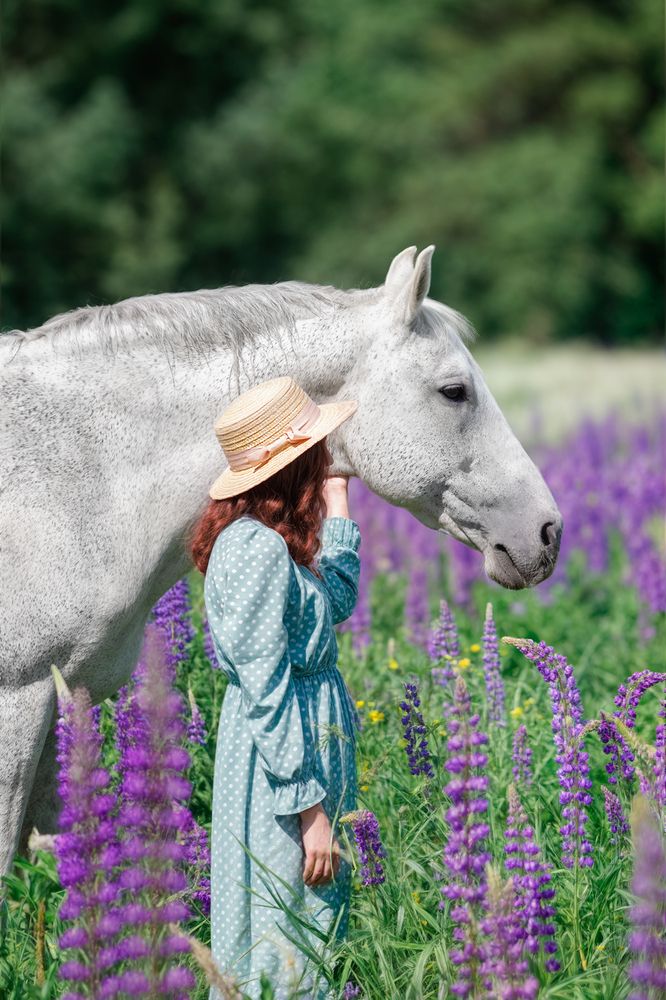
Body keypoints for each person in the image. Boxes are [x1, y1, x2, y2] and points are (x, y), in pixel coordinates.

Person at [189, 376, 362, 1000]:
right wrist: (310, 809)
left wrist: (338, 503)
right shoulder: (256, 549)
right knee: (284, 928)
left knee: (306, 924)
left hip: (303, 756)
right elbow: (266, 689)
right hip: (283, 771)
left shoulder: (279, 545)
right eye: (317, 458)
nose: (325, 463)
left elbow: (333, 601)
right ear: (290, 471)